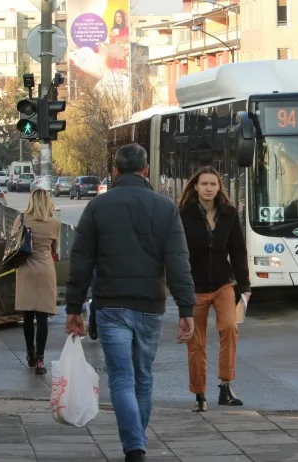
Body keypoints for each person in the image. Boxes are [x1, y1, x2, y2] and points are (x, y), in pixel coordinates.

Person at [65, 143, 196, 462]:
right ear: (146, 170)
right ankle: (136, 441)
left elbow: (80, 260)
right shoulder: (165, 208)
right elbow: (178, 261)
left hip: (111, 307)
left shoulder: (97, 207)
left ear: (114, 171)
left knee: (121, 378)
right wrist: (186, 309)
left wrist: (74, 308)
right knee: (143, 376)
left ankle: (134, 447)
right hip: (151, 305)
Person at [178, 166, 251, 413]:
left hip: (223, 284)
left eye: (213, 184)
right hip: (194, 287)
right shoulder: (184, 215)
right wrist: (179, 286)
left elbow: (239, 251)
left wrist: (245, 286)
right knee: (195, 341)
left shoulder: (229, 214)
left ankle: (225, 386)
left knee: (230, 328)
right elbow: (177, 253)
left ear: (220, 187)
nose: (209, 188)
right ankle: (199, 394)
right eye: (204, 184)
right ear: (195, 187)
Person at [13, 188, 61, 375]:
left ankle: (30, 354)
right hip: (45, 270)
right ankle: (41, 359)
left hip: (26, 270)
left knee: (27, 316)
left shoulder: (22, 219)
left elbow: (13, 241)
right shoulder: (55, 223)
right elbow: (55, 249)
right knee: (42, 318)